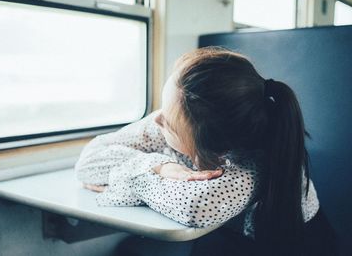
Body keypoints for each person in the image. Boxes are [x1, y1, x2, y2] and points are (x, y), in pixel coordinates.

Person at [74, 47, 338, 255]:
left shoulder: (251, 165)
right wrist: (161, 166)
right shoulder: (172, 116)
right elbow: (89, 160)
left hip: (290, 245)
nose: (156, 120)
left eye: (170, 123)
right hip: (227, 233)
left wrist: (130, 179)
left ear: (214, 152)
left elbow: (196, 206)